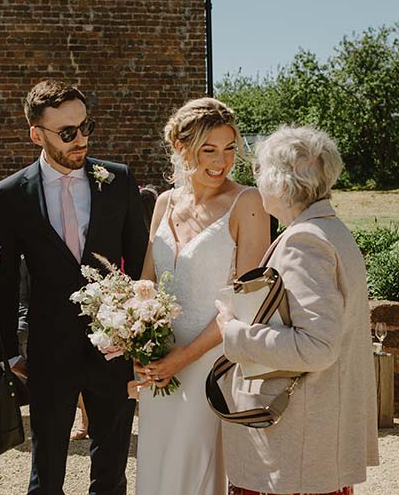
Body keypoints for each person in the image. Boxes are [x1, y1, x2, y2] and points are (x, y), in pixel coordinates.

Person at [0, 79, 148, 495]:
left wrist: (137, 337)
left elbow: (137, 265)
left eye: (85, 126)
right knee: (45, 474)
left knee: (112, 471)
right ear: (35, 134)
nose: (81, 139)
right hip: (48, 351)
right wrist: (8, 351)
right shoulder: (10, 194)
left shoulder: (117, 180)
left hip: (113, 347)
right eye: (67, 132)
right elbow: (4, 281)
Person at [215, 125, 379, 495]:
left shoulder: (304, 241)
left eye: (258, 170)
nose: (255, 180)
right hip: (312, 441)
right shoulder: (329, 230)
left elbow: (317, 346)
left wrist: (234, 332)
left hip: (294, 449)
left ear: (278, 180)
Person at [133, 97, 270, 495]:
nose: (221, 161)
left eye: (229, 149)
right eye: (208, 149)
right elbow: (147, 283)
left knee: (193, 468)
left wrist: (181, 358)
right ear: (181, 148)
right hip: (159, 365)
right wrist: (140, 352)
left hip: (212, 364)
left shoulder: (248, 204)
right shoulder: (164, 202)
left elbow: (244, 301)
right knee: (158, 465)